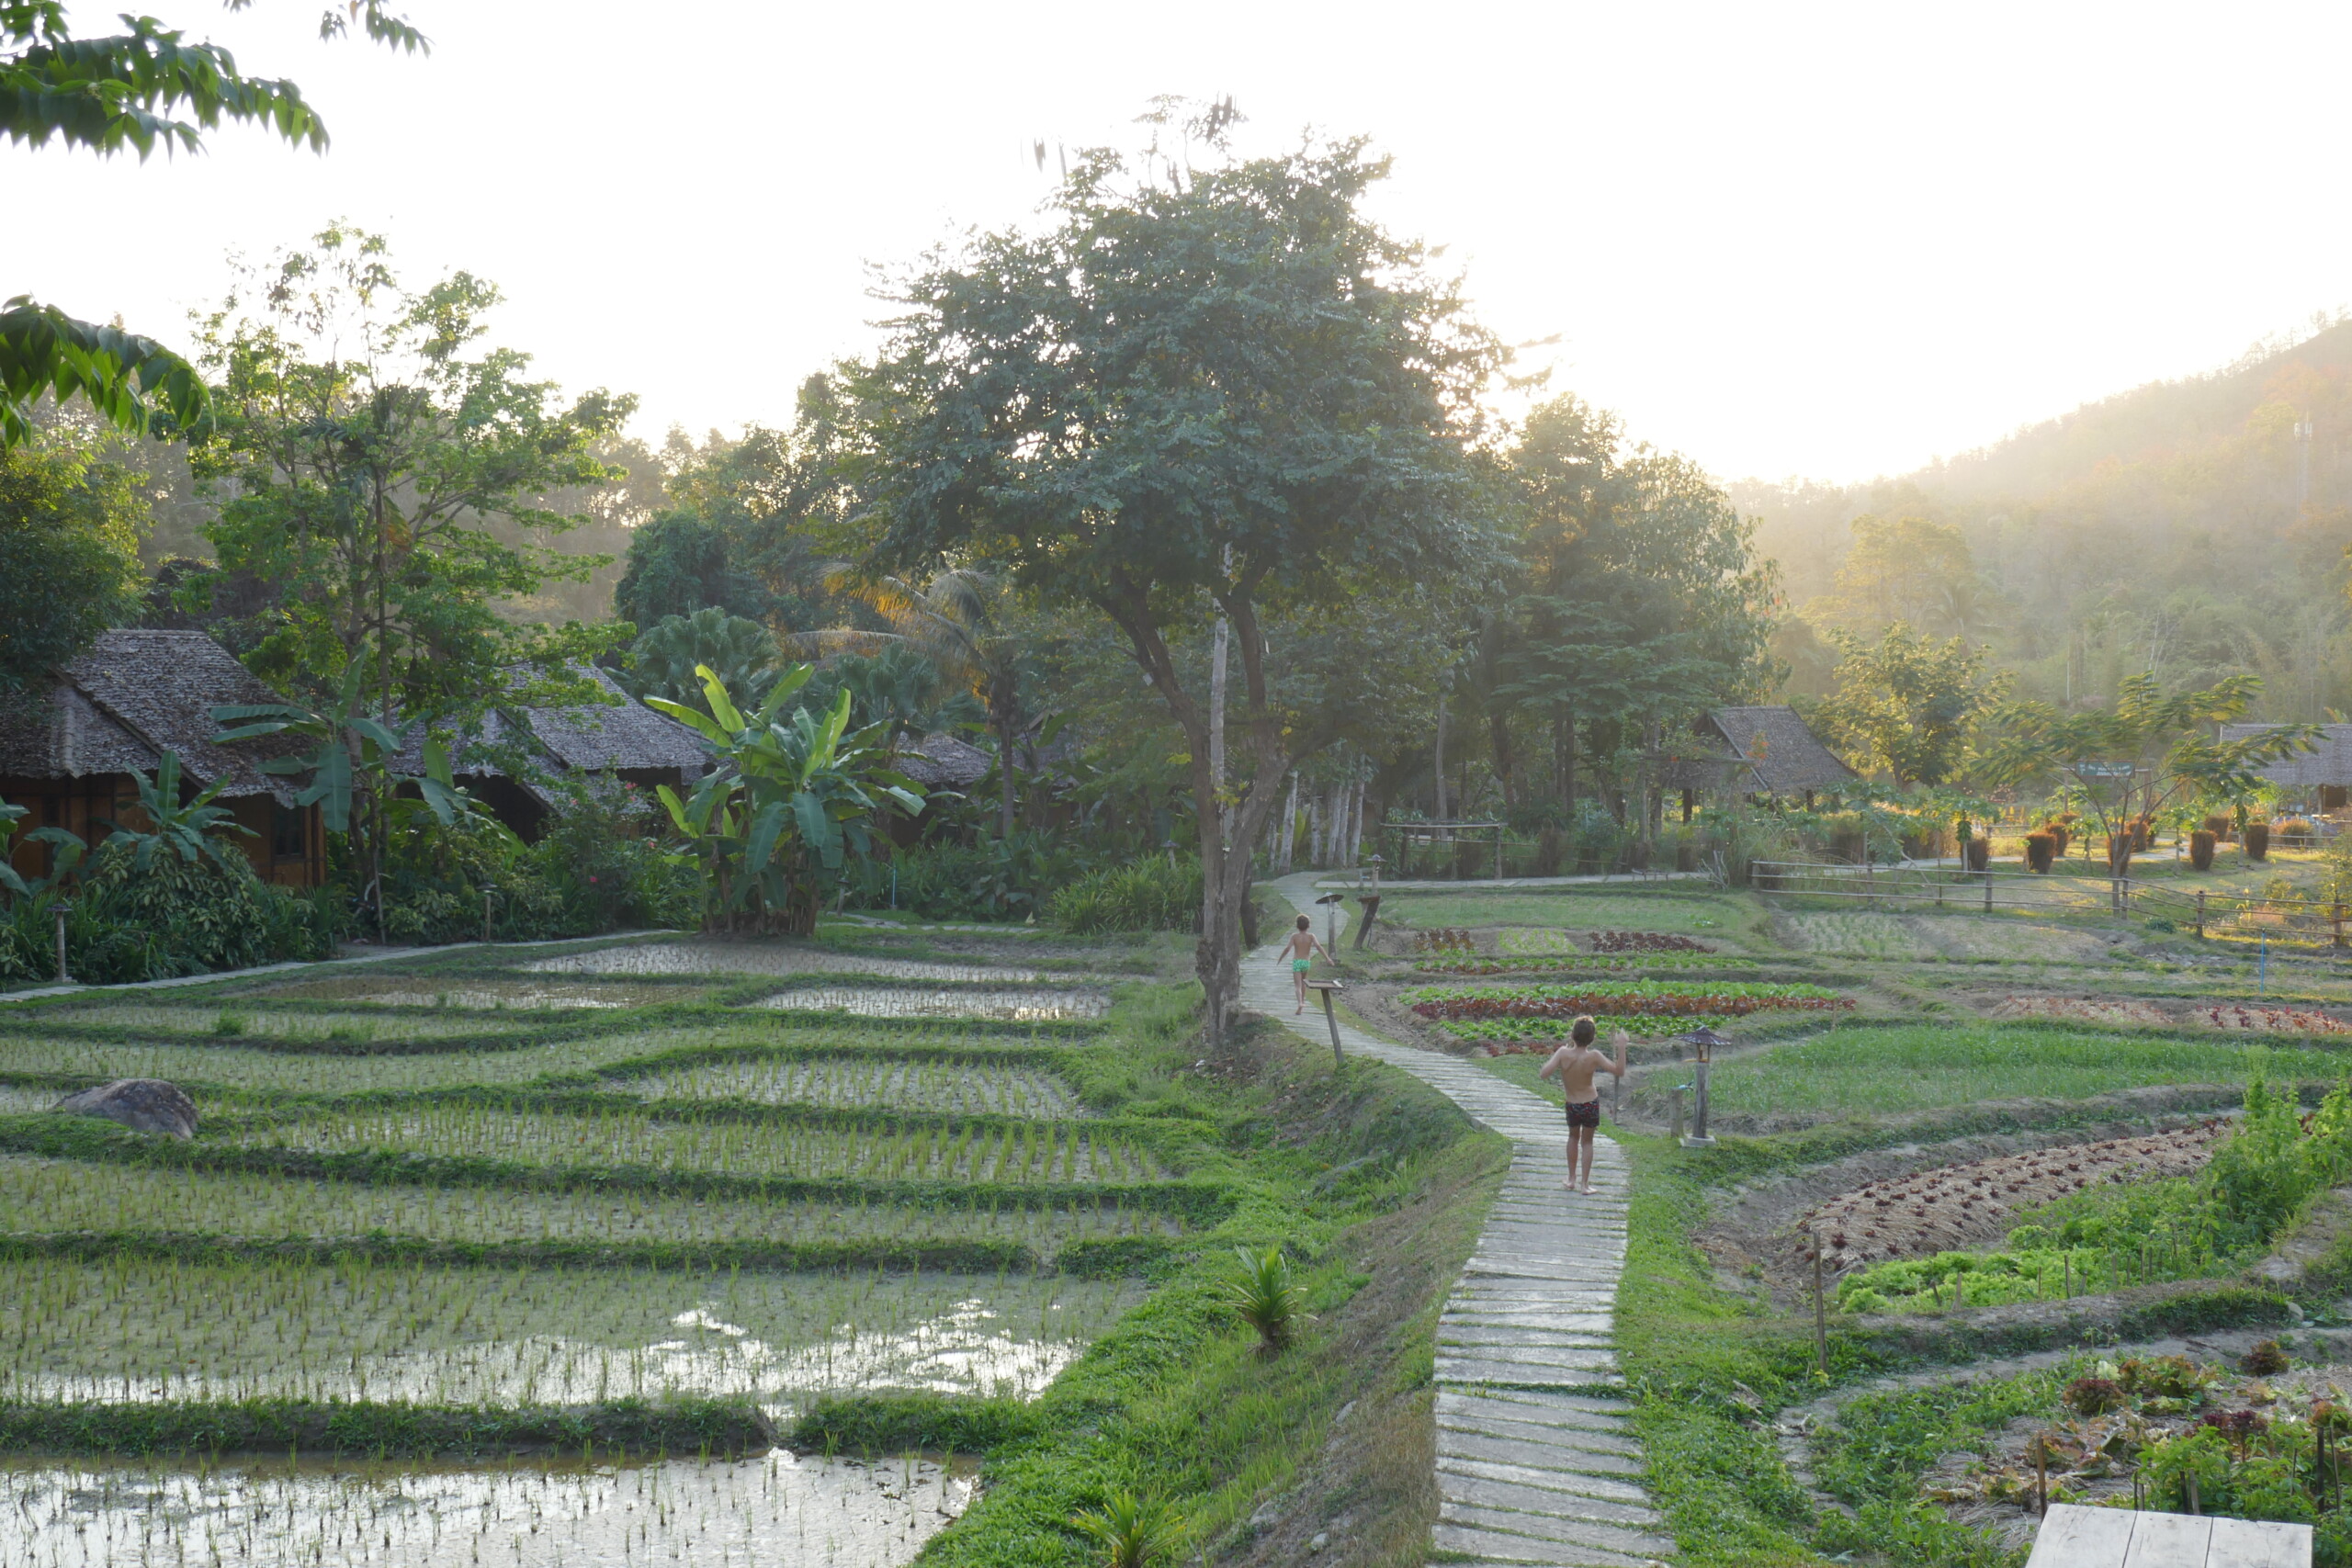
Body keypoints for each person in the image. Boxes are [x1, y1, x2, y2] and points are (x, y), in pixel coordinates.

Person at [1537, 1015, 1628, 1194]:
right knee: (1587, 1143)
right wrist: (1622, 1047)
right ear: (1592, 1038)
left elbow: (1543, 1074)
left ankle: (1571, 1179)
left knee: (1573, 1138)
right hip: (1590, 1103)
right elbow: (1620, 1071)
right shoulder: (1594, 1056)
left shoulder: (1563, 1053)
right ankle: (1585, 1185)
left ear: (1572, 1035)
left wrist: (1557, 1057)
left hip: (1572, 1104)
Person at [1278, 913, 1332, 1013]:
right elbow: (1318, 946)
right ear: (1308, 925)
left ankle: (1299, 1003)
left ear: (1297, 925)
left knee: (1297, 985)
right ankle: (1302, 1001)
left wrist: (1280, 958)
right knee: (1303, 983)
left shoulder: (1294, 936)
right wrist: (1327, 958)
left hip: (1297, 962)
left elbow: (1287, 948)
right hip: (1306, 962)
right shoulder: (1311, 936)